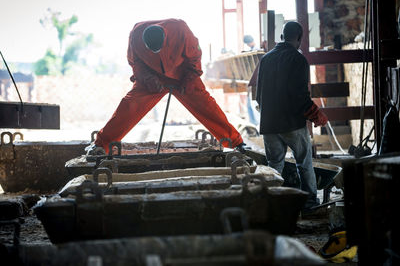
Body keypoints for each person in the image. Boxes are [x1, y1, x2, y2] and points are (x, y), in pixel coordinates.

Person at [86, 18, 245, 155]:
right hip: (151, 77)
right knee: (129, 106)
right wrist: (148, 79)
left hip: (183, 75)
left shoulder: (181, 29)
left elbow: (195, 57)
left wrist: (189, 79)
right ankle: (100, 145)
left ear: (165, 37)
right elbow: (136, 63)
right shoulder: (135, 34)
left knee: (206, 106)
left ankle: (236, 142)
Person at [255, 21, 328, 213]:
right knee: (304, 163)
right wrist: (316, 115)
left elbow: (258, 95)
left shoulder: (266, 59)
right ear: (300, 39)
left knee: (274, 167)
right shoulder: (299, 60)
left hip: (269, 124)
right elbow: (300, 97)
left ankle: (271, 206)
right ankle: (310, 204)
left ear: (281, 36)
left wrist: (269, 115)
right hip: (292, 125)